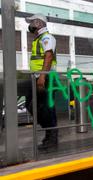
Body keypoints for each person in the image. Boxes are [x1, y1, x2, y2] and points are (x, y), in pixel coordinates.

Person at [25, 14, 58, 149]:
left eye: (32, 22)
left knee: (46, 107)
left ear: (39, 23)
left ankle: (51, 136)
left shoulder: (46, 37)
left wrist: (42, 77)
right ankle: (49, 131)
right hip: (39, 77)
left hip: (46, 77)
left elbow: (48, 56)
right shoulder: (39, 39)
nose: (30, 25)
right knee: (31, 104)